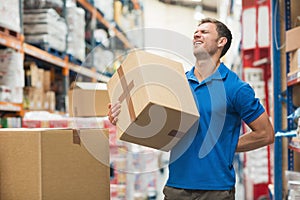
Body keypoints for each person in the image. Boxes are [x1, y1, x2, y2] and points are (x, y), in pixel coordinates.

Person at [108, 17, 274, 200]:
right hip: (176, 187)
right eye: (196, 31)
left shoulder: (236, 88)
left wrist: (225, 146)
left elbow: (265, 134)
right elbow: (154, 124)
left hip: (216, 190)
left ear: (221, 41)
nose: (197, 33)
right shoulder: (178, 84)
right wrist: (123, 117)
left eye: (204, 31)